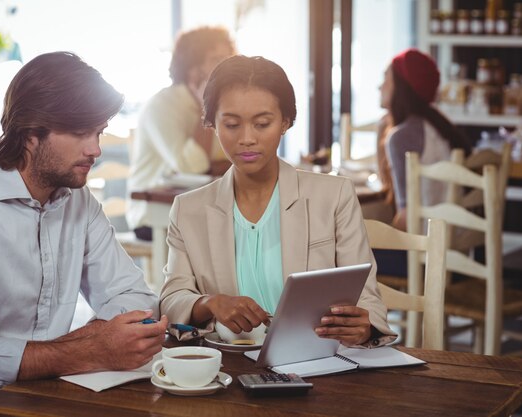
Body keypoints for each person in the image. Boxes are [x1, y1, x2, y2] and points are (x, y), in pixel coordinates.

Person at [0, 52, 167, 416]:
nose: (96, 149)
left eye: (98, 131)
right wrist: (87, 349)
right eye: (80, 132)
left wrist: (79, 347)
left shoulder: (78, 201)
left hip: (40, 391)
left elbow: (136, 297)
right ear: (30, 132)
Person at [159, 55, 397, 348]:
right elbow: (171, 299)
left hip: (317, 363)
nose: (247, 139)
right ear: (213, 124)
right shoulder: (188, 210)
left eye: (262, 124)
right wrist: (210, 303)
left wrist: (364, 327)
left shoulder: (334, 196)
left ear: (285, 122)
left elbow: (367, 299)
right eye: (232, 124)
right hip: (227, 368)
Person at [126, 26, 235, 241]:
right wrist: (207, 108)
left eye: (228, 57)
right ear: (192, 68)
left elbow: (228, 159)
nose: (227, 65)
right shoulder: (163, 105)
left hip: (200, 206)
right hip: (154, 214)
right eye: (216, 59)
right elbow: (193, 168)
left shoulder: (226, 104)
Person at [378, 48, 472, 232]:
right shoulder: (439, 125)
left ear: (401, 86)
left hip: (425, 245)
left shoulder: (401, 137)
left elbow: (406, 218)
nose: (380, 86)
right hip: (455, 237)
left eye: (386, 78)